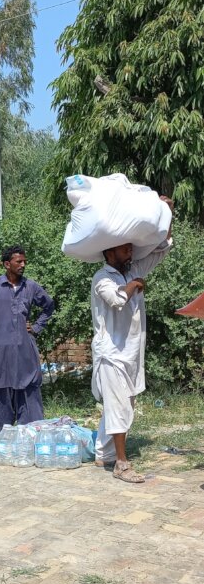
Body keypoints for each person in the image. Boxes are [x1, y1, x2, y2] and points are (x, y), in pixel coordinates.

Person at [92, 198, 173, 482]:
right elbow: (116, 300)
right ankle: (121, 464)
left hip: (131, 352)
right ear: (109, 250)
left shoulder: (134, 268)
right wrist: (134, 285)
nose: (130, 250)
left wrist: (167, 213)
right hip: (111, 353)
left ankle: (103, 452)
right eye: (125, 246)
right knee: (118, 406)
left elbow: (162, 250)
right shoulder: (102, 277)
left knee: (126, 405)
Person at [0, 246, 54, 451]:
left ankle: (31, 431)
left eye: (24, 261)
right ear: (7, 264)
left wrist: (37, 326)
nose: (23, 265)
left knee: (28, 387)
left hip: (25, 346)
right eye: (18, 262)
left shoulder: (31, 287)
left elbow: (48, 306)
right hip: (0, 346)